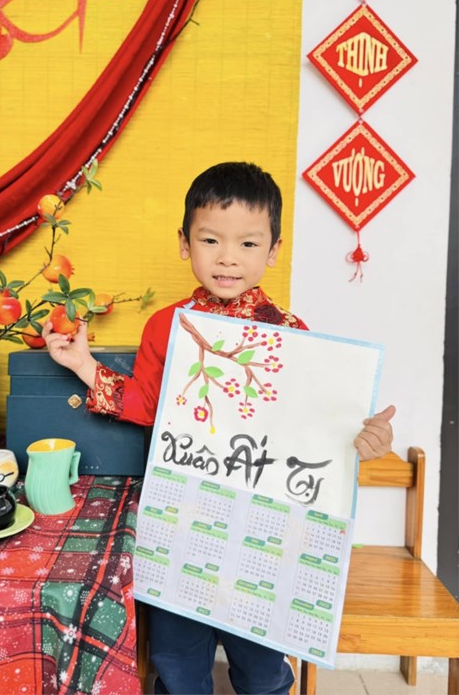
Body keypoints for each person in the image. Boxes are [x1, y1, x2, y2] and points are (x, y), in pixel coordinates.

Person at [43, 161, 394, 695]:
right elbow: (148, 404)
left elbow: (313, 428)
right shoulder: (167, 325)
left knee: (262, 663)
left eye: (248, 244)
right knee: (176, 657)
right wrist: (83, 365)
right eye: (211, 240)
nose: (228, 257)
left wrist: (363, 439)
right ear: (185, 244)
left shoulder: (292, 333)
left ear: (273, 250)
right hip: (181, 518)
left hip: (265, 527)